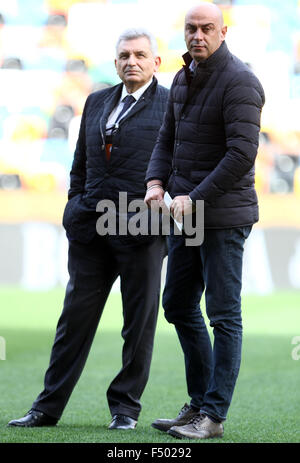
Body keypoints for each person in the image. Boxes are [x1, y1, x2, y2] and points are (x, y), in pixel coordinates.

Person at [8, 28, 168, 430]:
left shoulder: (171, 105)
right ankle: (46, 409)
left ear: (156, 62)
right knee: (73, 322)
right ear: (115, 62)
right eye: (124, 55)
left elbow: (178, 166)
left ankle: (125, 411)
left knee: (138, 325)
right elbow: (80, 163)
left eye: (140, 55)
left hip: (142, 232)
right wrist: (74, 205)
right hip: (90, 229)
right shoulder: (96, 100)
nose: (132, 61)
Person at [144, 2, 265, 439]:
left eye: (206, 28)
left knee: (223, 315)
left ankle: (212, 417)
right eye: (191, 29)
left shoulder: (241, 82)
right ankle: (197, 405)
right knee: (177, 304)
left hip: (223, 216)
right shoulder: (182, 77)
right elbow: (166, 138)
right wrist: (156, 181)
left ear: (223, 31)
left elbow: (241, 155)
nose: (197, 36)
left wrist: (193, 198)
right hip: (186, 214)